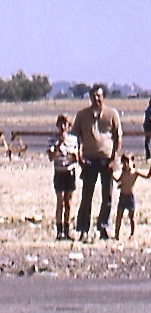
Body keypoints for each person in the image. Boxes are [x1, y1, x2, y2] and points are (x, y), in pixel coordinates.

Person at [71, 85, 122, 241]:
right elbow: (76, 137)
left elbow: (118, 137)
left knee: (107, 195)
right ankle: (83, 228)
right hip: (89, 160)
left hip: (107, 160)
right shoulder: (82, 115)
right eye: (93, 96)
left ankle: (104, 226)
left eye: (99, 96)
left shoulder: (112, 114)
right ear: (90, 97)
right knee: (87, 195)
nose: (96, 99)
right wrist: (79, 157)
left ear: (103, 97)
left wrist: (115, 159)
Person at [46, 114, 79, 240]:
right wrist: (59, 143)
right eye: (60, 124)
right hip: (59, 172)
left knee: (68, 202)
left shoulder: (73, 140)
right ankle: (59, 231)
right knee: (60, 202)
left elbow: (77, 156)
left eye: (65, 124)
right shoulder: (52, 139)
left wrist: (75, 155)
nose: (63, 127)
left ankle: (67, 229)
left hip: (70, 172)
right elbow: (51, 157)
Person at [114, 154, 149, 240]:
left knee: (131, 217)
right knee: (119, 215)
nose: (126, 164)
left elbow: (147, 176)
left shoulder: (135, 172)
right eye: (124, 163)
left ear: (131, 162)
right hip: (122, 196)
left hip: (130, 197)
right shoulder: (124, 173)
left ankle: (132, 234)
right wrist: (111, 175)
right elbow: (118, 180)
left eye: (127, 162)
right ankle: (116, 234)